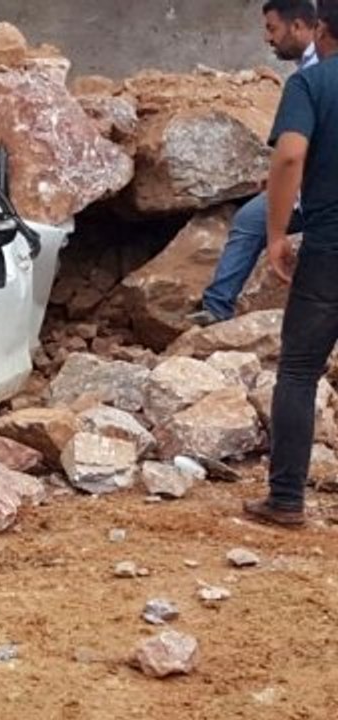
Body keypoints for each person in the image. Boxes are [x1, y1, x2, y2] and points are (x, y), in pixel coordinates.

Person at [244, 0, 338, 527]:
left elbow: (288, 155)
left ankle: (285, 500)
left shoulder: (310, 85)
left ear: (321, 30)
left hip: (328, 248)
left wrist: (276, 233)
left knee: (300, 371)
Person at [187, 0, 319, 327]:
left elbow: (296, 151)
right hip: (305, 188)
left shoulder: (315, 76)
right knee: (248, 220)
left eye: (272, 28)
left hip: (320, 192)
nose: (267, 38)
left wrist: (286, 179)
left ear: (299, 26)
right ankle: (217, 307)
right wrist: (278, 179)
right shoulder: (307, 69)